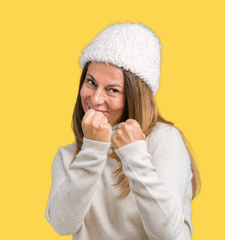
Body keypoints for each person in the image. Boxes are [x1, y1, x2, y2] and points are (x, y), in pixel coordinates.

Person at [45, 22, 201, 240]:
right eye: (91, 82)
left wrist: (135, 154)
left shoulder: (164, 140)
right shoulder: (69, 155)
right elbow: (62, 225)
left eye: (113, 90)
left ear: (134, 96)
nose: (96, 98)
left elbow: (168, 234)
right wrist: (92, 151)